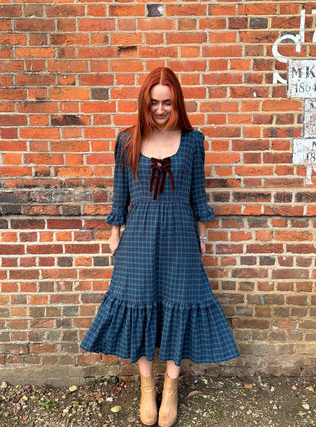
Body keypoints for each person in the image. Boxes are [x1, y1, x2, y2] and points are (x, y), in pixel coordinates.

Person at [80, 67, 239, 427]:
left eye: (167, 102)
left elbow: (198, 195)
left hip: (181, 236)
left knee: (178, 304)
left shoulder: (193, 141)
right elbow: (120, 197)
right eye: (154, 102)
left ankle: (170, 386)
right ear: (145, 102)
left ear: (177, 102)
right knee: (138, 303)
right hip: (138, 237)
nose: (161, 109)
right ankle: (146, 384)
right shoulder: (126, 141)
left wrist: (202, 238)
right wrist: (114, 234)